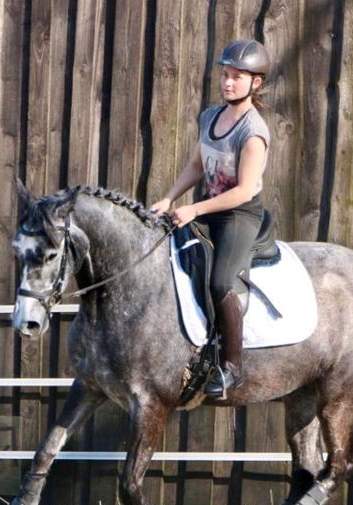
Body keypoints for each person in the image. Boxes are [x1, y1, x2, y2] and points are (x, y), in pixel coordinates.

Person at [150, 39, 272, 398]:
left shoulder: (254, 132)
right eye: (225, 75)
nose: (228, 83)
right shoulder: (210, 116)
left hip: (238, 216)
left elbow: (244, 191)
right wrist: (169, 198)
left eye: (237, 77)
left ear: (256, 83)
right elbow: (196, 166)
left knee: (221, 282)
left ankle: (231, 365)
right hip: (208, 207)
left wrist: (193, 209)